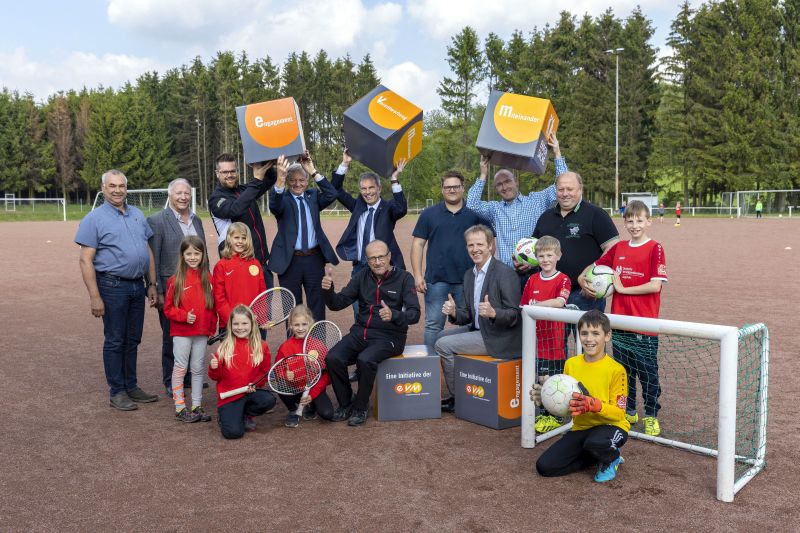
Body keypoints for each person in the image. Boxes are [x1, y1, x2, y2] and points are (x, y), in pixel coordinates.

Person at [75, 169, 160, 411]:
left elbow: (146, 251)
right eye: (112, 186)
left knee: (132, 339)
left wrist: (151, 283)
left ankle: (131, 385)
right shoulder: (94, 219)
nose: (117, 190)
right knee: (115, 340)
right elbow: (85, 260)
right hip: (112, 286)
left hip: (137, 286)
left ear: (126, 188)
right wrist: (94, 296)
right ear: (103, 189)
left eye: (121, 186)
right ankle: (118, 391)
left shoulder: (137, 214)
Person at [583, 200, 667, 437]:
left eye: (639, 220)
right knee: (624, 371)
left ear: (648, 221)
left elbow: (654, 286)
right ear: (625, 222)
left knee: (648, 372)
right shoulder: (619, 248)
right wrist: (584, 278)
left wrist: (621, 288)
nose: (634, 225)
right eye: (630, 220)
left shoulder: (655, 248)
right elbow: (597, 268)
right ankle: (629, 410)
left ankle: (651, 414)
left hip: (644, 322)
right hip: (619, 322)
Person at [322, 240, 420, 427]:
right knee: (333, 357)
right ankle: (346, 402)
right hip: (360, 333)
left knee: (365, 360)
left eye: (381, 257)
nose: (377, 262)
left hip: (390, 337)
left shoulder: (404, 278)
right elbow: (337, 303)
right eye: (372, 258)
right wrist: (328, 290)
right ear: (366, 260)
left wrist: (394, 315)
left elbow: (414, 314)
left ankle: (360, 407)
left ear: (389, 256)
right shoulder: (361, 277)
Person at [531, 310, 630, 483]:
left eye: (595, 333)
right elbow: (568, 405)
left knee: (596, 443)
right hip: (581, 428)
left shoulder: (616, 370)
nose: (589, 339)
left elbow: (619, 414)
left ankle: (610, 456)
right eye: (584, 333)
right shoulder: (571, 364)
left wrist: (594, 405)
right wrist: (547, 399)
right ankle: (594, 456)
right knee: (545, 467)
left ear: (607, 336)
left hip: (611, 426)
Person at [435, 225, 522, 413]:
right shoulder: (469, 274)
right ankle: (465, 385)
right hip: (479, 330)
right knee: (439, 336)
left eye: (480, 244)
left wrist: (494, 313)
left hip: (499, 337)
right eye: (470, 245)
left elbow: (515, 315)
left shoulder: (504, 273)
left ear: (490, 245)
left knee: (443, 345)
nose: (475, 249)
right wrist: (453, 312)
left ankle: (458, 398)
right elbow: (466, 314)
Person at [466, 134, 568, 285]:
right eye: (499, 184)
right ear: (496, 189)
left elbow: (562, 185)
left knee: (532, 309)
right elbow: (472, 204)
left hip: (536, 273)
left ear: (516, 182)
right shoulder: (495, 209)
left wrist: (557, 154)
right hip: (507, 275)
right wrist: (483, 174)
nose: (504, 187)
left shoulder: (536, 200)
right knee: (508, 309)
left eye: (507, 181)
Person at [411, 170, 489, 355]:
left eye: (456, 186)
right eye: (448, 187)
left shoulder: (474, 214)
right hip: (436, 281)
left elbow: (489, 243)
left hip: (468, 281)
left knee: (470, 324)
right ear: (442, 189)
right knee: (432, 325)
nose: (452, 190)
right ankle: (431, 367)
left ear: (463, 188)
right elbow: (418, 244)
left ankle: (465, 368)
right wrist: (417, 275)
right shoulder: (429, 214)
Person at [147, 178, 208, 397]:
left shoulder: (196, 219)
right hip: (172, 290)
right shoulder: (157, 220)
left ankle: (191, 377)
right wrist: (156, 288)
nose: (183, 197)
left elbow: (203, 254)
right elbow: (153, 256)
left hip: (197, 287)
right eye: (178, 193)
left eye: (186, 194)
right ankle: (170, 380)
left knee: (196, 333)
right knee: (171, 337)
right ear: (169, 195)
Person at [533, 171, 619, 314]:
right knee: (555, 337)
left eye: (570, 189)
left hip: (584, 294)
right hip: (551, 293)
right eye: (561, 189)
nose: (565, 193)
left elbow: (613, 247)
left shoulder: (596, 214)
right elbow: (535, 249)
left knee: (587, 336)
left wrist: (589, 274)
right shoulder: (545, 217)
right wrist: (523, 261)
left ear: (580, 190)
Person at [268, 153, 339, 320]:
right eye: (292, 180)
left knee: (317, 303)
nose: (297, 184)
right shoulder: (282, 199)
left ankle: (317, 344)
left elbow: (332, 194)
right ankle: (293, 345)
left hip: (314, 259)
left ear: (307, 182)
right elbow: (274, 206)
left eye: (301, 180)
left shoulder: (313, 196)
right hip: (290, 260)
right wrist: (280, 178)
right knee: (292, 307)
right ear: (287, 181)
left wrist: (312, 170)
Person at [519, 236, 571, 433]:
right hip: (534, 341)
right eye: (541, 256)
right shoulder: (532, 279)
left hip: (554, 342)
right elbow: (523, 306)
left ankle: (555, 417)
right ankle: (544, 413)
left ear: (558, 256)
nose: (545, 259)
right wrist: (530, 308)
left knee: (551, 380)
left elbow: (559, 302)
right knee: (538, 379)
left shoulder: (563, 278)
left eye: (550, 255)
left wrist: (538, 306)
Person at [163, 236, 216, 423]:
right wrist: (184, 316)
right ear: (182, 255)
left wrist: (211, 328)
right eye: (189, 253)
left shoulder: (207, 278)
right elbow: (168, 309)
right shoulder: (174, 280)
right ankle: (179, 407)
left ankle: (196, 405)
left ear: (202, 255)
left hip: (201, 333)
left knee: (197, 368)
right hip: (182, 333)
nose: (193, 257)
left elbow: (212, 307)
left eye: (197, 253)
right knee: (180, 367)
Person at [331, 151, 408, 275]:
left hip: (383, 267)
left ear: (379, 188)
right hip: (360, 267)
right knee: (354, 295)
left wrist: (394, 179)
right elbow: (335, 190)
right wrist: (344, 163)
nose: (368, 192)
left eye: (371, 187)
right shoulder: (357, 206)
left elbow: (401, 209)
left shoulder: (388, 208)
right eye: (364, 188)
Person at [208, 153, 276, 288]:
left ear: (237, 171)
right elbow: (235, 209)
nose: (230, 175)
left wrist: (263, 161)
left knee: (264, 309)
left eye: (233, 171)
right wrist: (256, 181)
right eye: (225, 172)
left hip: (261, 264)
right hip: (240, 268)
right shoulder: (216, 199)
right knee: (243, 308)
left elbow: (270, 178)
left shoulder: (245, 190)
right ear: (217, 173)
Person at [208, 305, 276, 439]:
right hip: (229, 396)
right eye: (236, 324)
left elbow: (264, 371)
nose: (240, 327)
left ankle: (245, 415)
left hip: (250, 392)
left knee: (269, 400)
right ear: (230, 325)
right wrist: (214, 367)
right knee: (233, 433)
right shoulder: (224, 347)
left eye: (244, 323)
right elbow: (216, 377)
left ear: (252, 324)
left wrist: (256, 385)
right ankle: (225, 416)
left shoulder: (261, 346)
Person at [274, 305, 334, 427]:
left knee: (327, 414)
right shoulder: (285, 347)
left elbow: (326, 375)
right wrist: (285, 374)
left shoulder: (318, 345)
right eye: (296, 325)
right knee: (280, 384)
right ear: (290, 325)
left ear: (310, 323)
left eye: (304, 324)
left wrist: (312, 395)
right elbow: (277, 369)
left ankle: (310, 405)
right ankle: (292, 410)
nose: (300, 328)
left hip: (313, 389)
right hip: (294, 389)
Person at [212, 223, 267, 330]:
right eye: (236, 237)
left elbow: (262, 294)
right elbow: (219, 298)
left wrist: (261, 317)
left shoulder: (255, 264)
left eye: (244, 238)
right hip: (230, 323)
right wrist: (233, 320)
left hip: (252, 321)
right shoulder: (221, 265)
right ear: (229, 239)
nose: (240, 241)